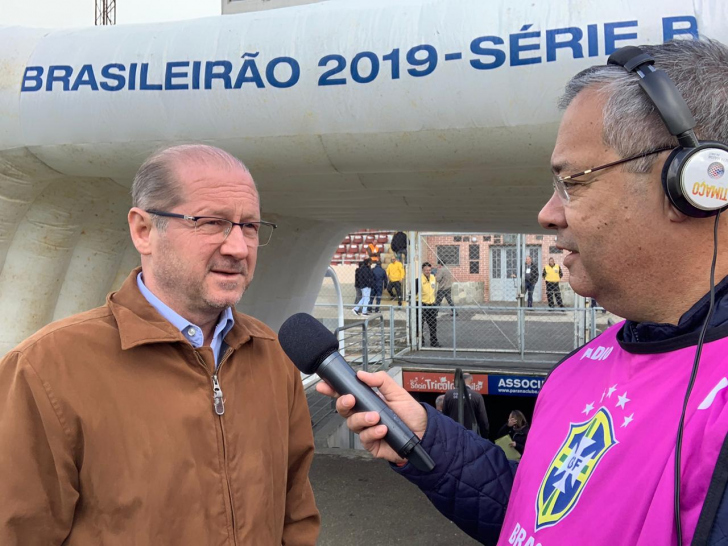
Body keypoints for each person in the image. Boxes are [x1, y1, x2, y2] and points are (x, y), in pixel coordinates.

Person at [317, 39, 728, 545]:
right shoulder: (576, 369)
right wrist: (428, 437)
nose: (547, 214)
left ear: (697, 184)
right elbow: (535, 517)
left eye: (572, 183)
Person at [0, 144, 320, 544]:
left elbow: (295, 513)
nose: (238, 247)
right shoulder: (45, 368)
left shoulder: (272, 353)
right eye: (211, 222)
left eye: (250, 227)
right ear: (143, 230)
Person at [442, 373, 489, 438]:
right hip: (471, 436)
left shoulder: (449, 394)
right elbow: (483, 421)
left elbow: (444, 416)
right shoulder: (477, 396)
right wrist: (484, 436)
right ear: (471, 381)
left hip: (453, 434)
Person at [419, 262, 439, 347]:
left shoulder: (433, 277)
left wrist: (435, 301)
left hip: (432, 304)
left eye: (429, 270)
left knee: (433, 325)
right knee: (420, 325)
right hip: (422, 304)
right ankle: (421, 342)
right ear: (423, 270)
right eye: (426, 270)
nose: (428, 271)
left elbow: (434, 289)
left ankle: (434, 342)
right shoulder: (419, 279)